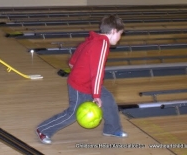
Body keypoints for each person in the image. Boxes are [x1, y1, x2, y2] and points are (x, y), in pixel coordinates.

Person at [36, 14, 127, 144]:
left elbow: (74, 58)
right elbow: (98, 71)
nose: (120, 38)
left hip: (86, 82)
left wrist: (76, 68)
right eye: (120, 34)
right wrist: (96, 95)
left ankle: (111, 129)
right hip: (81, 85)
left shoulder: (92, 39)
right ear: (113, 31)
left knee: (108, 99)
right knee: (73, 113)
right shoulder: (102, 45)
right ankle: (44, 129)